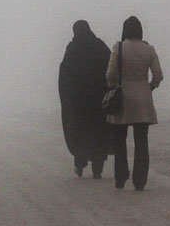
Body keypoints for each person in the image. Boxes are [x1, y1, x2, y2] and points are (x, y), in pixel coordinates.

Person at [106, 16, 163, 190]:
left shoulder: (119, 48)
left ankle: (121, 177)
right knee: (141, 141)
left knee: (119, 140)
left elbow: (110, 74)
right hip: (143, 100)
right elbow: (158, 75)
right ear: (140, 30)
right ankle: (140, 180)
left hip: (123, 99)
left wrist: (113, 87)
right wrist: (149, 88)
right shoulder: (149, 49)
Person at [58, 20, 112, 179]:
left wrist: (68, 96)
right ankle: (97, 168)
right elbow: (111, 67)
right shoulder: (99, 46)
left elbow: (64, 74)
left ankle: (79, 165)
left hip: (79, 102)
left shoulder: (72, 49)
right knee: (98, 133)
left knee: (80, 132)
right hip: (98, 100)